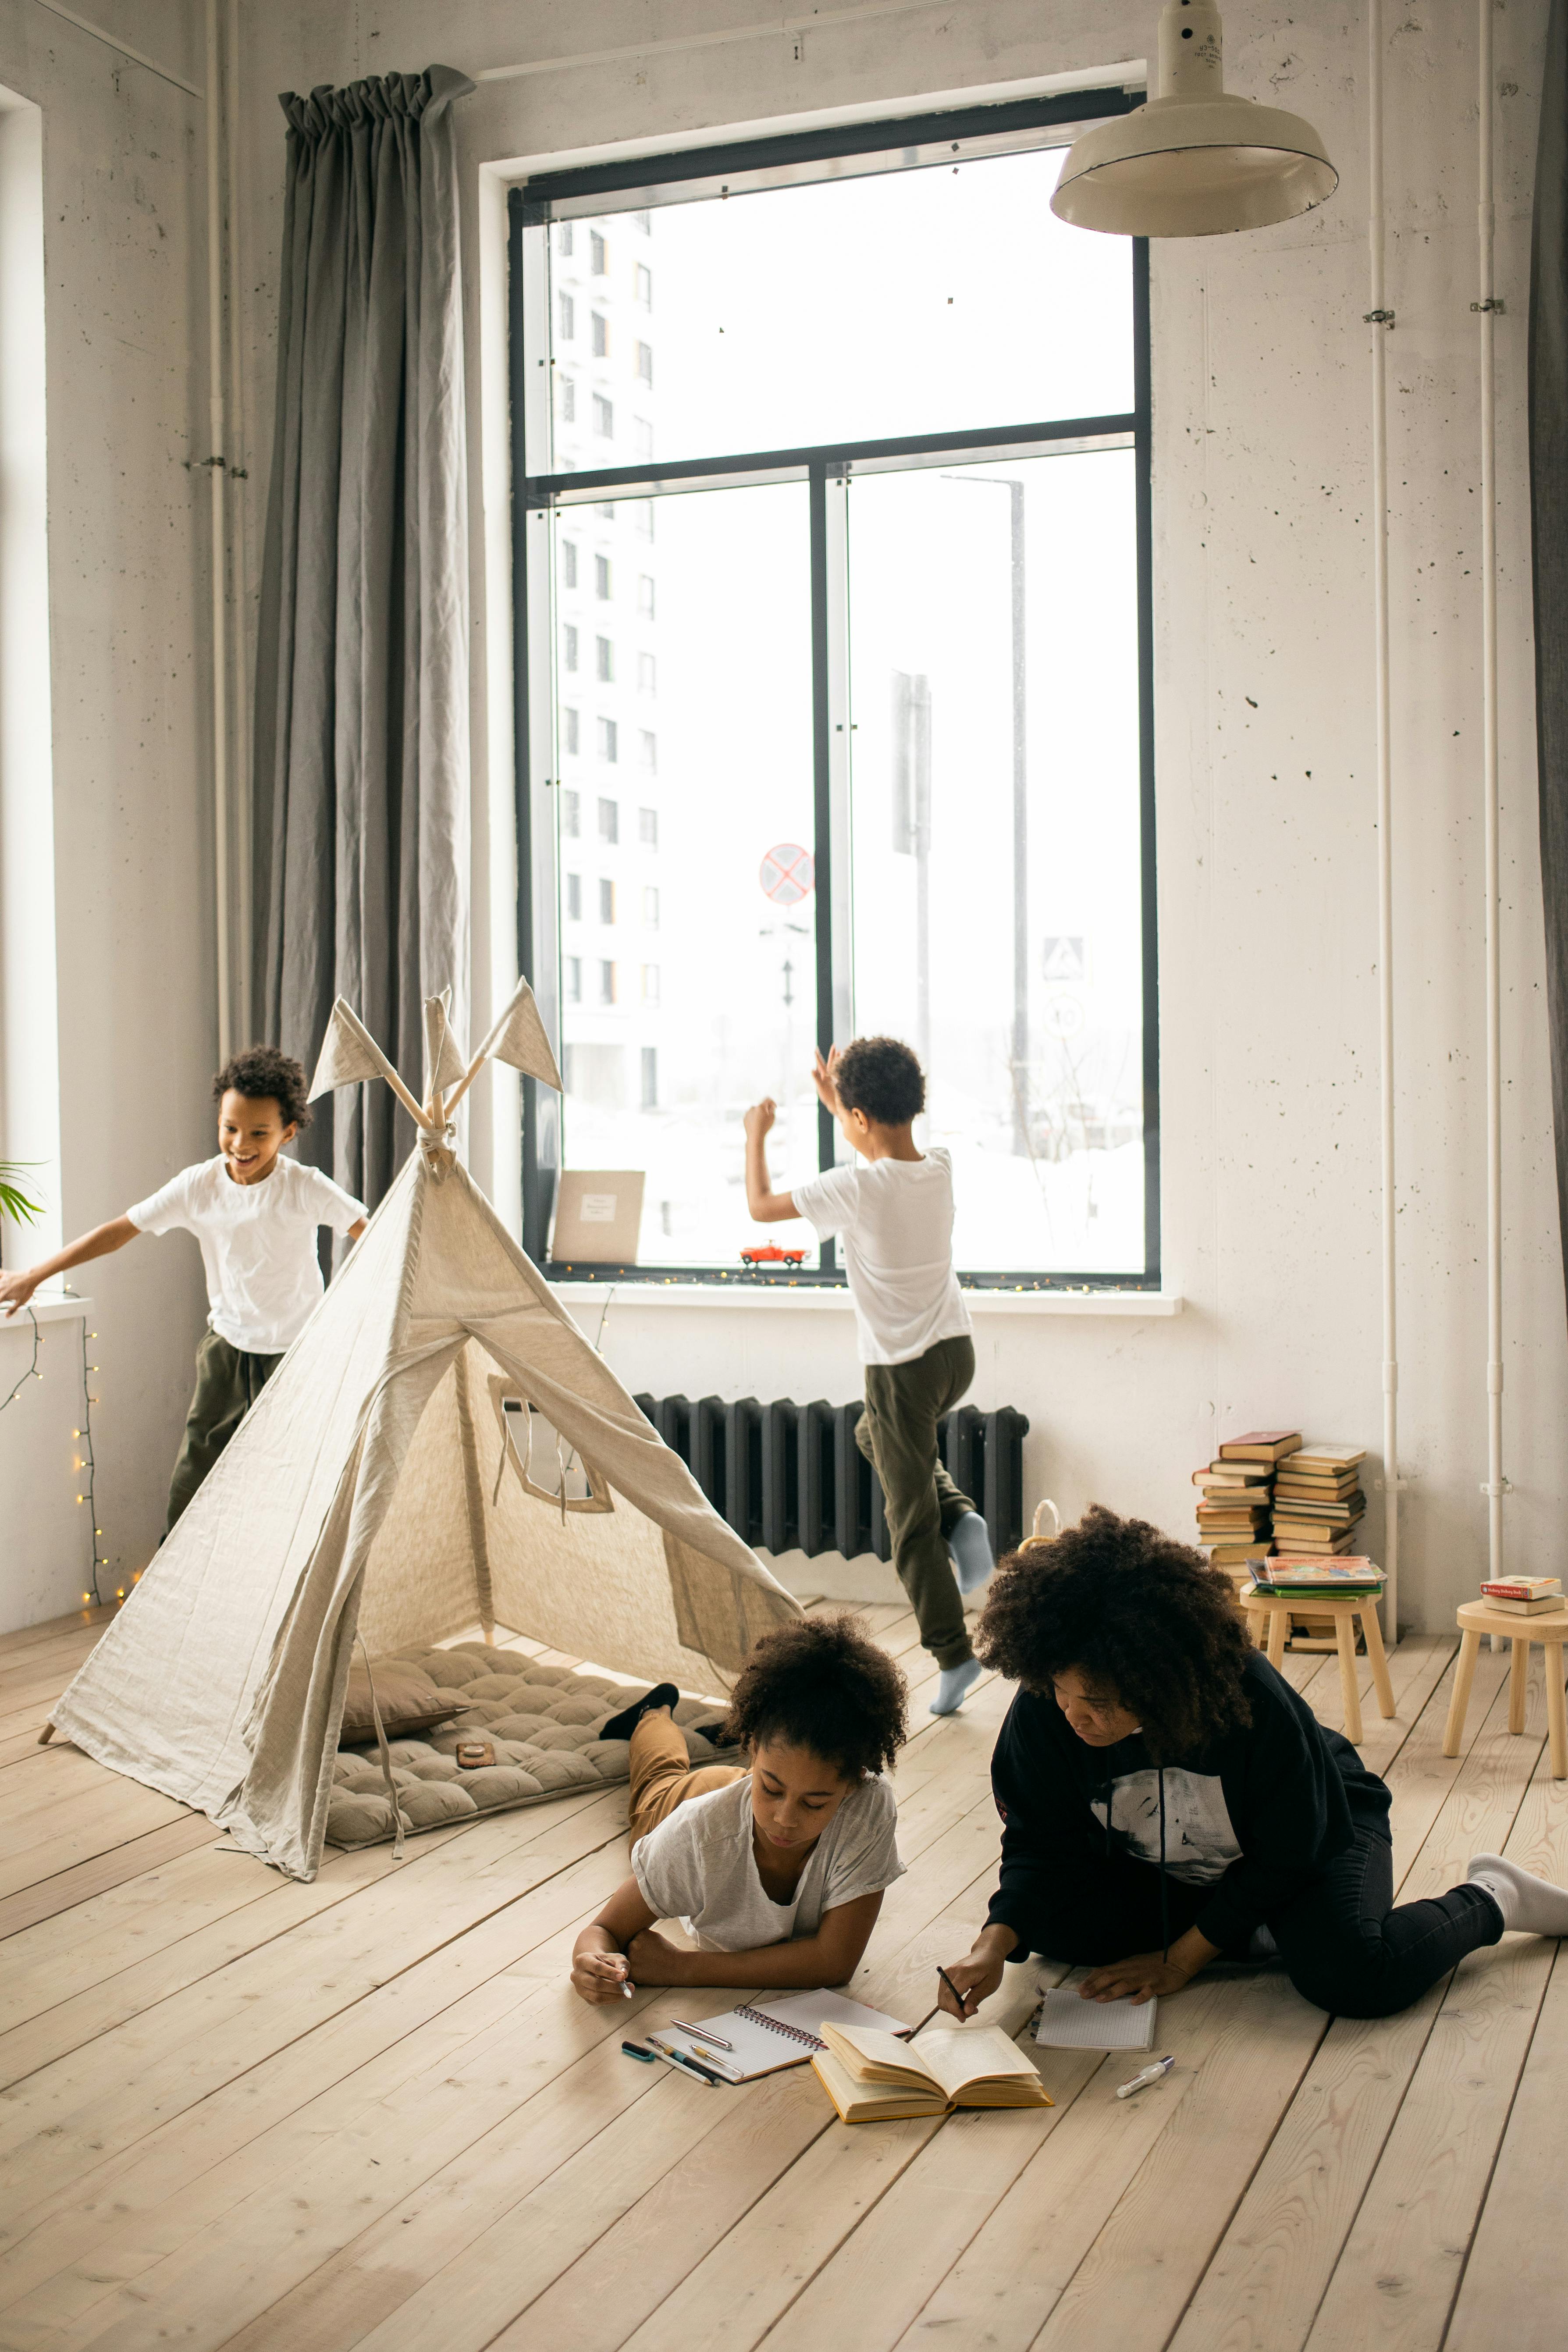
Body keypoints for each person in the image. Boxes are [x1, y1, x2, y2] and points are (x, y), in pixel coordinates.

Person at [938, 1506, 1568, 2022]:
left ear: (1154, 1684)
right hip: (1177, 1862)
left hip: (1320, 1828)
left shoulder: (1245, 1699)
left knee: (1354, 1976)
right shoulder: (1047, 1707)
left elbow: (1294, 1847)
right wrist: (991, 1947)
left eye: (1098, 1702)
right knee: (1044, 1931)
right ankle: (1259, 1931)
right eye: (1060, 1689)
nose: (1074, 1715)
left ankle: (1495, 1897)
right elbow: (1038, 1846)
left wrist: (1181, 1960)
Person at [0, 1046, 366, 1530]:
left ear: (288, 1131)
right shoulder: (199, 1186)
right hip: (228, 1351)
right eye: (229, 1128)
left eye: (259, 1132)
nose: (240, 1143)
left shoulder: (305, 1187)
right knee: (193, 1483)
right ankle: (171, 1598)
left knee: (299, 1486)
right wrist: (33, 1276)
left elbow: (372, 1231)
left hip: (298, 1357)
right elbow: (119, 1230)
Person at [743, 1037, 992, 1716]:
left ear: (857, 1117)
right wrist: (839, 1107)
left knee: (908, 1523)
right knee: (870, 1436)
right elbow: (880, 1156)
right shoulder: (937, 1167)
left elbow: (762, 1207)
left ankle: (953, 1655)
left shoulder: (854, 1187)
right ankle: (963, 1519)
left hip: (902, 1371)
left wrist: (755, 1135)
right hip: (954, 1355)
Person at [569, 1613, 908, 2004]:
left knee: (769, 1789)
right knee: (658, 1778)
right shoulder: (696, 1831)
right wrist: (590, 1962)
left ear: (855, 1782)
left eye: (815, 1802)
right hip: (691, 1798)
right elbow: (604, 1931)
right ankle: (654, 1713)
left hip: (742, 1792)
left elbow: (834, 1963)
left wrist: (681, 1966)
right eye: (772, 1789)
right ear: (751, 1745)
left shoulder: (867, 1806)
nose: (785, 1819)